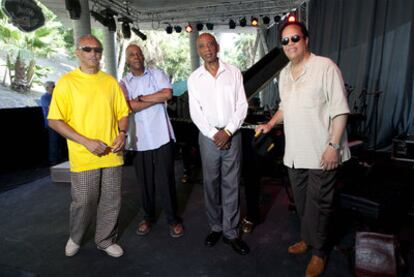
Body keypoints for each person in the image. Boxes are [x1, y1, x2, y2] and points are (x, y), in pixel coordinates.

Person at [256, 21, 351, 276]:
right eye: (285, 41)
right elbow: (285, 107)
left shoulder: (325, 67)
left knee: (319, 205)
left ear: (306, 40)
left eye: (294, 38)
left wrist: (333, 146)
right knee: (302, 203)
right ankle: (307, 240)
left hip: (322, 152)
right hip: (295, 154)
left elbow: (341, 110)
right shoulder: (285, 73)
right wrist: (270, 123)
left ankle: (319, 252)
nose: (290, 44)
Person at [48, 34, 130, 258]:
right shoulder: (67, 82)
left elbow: (123, 113)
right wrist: (85, 141)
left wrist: (123, 132)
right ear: (77, 52)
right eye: (87, 49)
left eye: (97, 49)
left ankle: (104, 239)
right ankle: (76, 236)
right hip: (83, 155)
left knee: (111, 200)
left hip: (112, 153)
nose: (94, 53)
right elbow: (54, 120)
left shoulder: (110, 81)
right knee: (84, 201)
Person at [188, 33, 249, 255]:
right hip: (208, 136)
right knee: (211, 184)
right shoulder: (194, 78)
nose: (207, 49)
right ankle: (215, 227)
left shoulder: (233, 72)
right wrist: (216, 134)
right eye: (201, 46)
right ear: (198, 51)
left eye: (210, 44)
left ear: (217, 46)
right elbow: (196, 113)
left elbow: (242, 105)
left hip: (232, 135)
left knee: (232, 184)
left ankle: (231, 232)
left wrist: (229, 131)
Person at [120, 44, 184, 238]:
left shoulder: (157, 74)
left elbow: (167, 94)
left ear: (143, 56)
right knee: (144, 183)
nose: (136, 56)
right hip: (139, 141)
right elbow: (127, 107)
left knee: (166, 180)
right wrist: (152, 99)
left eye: (138, 53)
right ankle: (148, 217)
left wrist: (139, 98)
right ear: (127, 59)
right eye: (132, 54)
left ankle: (173, 220)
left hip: (161, 136)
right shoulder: (123, 83)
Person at [40, 81, 63, 165]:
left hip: (59, 122)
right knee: (54, 141)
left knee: (59, 141)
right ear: (47, 88)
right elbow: (51, 108)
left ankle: (59, 159)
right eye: (53, 86)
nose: (55, 87)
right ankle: (54, 160)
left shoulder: (55, 96)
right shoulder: (45, 97)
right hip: (52, 123)